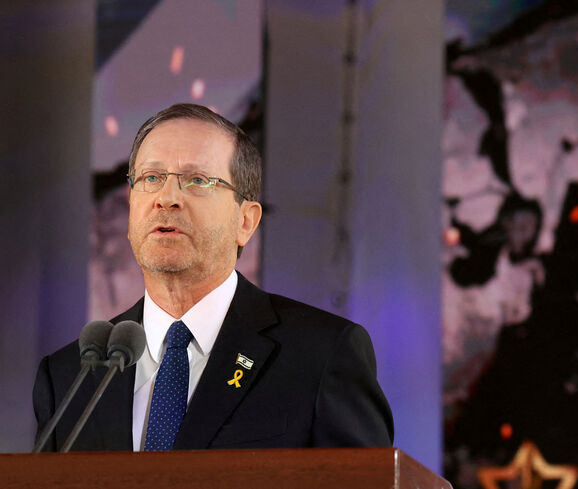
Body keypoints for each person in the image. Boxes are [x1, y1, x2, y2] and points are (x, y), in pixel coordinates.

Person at [32, 103, 393, 451]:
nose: (166, 198)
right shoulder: (70, 378)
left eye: (197, 180)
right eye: (151, 178)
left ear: (246, 221)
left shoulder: (321, 356)